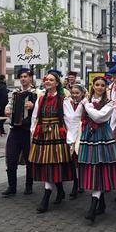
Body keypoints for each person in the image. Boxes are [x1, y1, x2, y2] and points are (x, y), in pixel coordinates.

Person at [29, 69, 77, 213]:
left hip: (57, 134)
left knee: (53, 164)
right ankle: (60, 190)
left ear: (57, 83)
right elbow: (35, 117)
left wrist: (71, 140)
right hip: (43, 134)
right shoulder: (40, 98)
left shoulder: (63, 99)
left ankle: (45, 199)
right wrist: (33, 132)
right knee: (47, 165)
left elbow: (71, 120)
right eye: (46, 79)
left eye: (51, 80)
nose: (47, 82)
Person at [77, 76, 116, 223]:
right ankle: (100, 203)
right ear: (93, 86)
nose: (99, 87)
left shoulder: (110, 103)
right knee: (93, 168)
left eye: (102, 85)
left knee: (100, 167)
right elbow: (75, 118)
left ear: (105, 88)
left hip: (103, 136)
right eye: (97, 84)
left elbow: (99, 117)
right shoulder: (86, 101)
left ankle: (93, 208)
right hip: (89, 136)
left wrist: (87, 104)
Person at [2, 69, 37, 197]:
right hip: (15, 129)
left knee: (29, 159)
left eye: (25, 76)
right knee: (11, 158)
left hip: (28, 131)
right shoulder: (15, 93)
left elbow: (40, 109)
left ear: (30, 78)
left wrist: (33, 106)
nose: (23, 79)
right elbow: (9, 104)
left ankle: (29, 186)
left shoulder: (37, 93)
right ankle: (12, 187)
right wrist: (7, 108)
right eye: (21, 77)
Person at [68, 83, 87, 199]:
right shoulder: (68, 103)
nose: (75, 95)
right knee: (72, 160)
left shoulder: (85, 105)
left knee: (80, 160)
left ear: (82, 94)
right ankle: (75, 183)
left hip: (81, 133)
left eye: (77, 93)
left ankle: (80, 183)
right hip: (71, 133)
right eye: (73, 93)